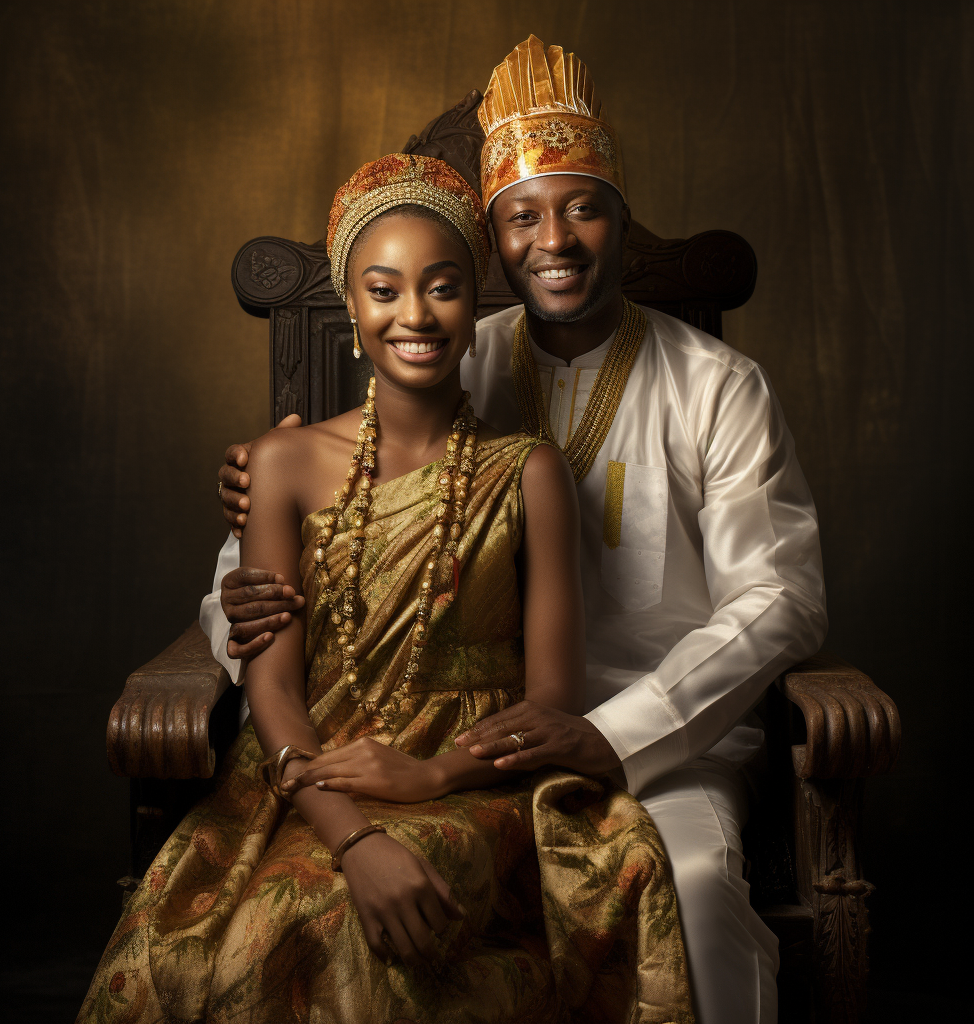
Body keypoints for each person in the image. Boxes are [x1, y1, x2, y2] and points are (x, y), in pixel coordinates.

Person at [206, 37, 827, 1024]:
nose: (556, 241)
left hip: (657, 738)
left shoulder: (715, 385)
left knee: (695, 895)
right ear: (492, 237)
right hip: (448, 734)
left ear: (618, 217)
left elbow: (781, 597)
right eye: (523, 217)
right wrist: (228, 600)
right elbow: (309, 530)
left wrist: (607, 732)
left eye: (582, 207)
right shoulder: (448, 349)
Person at [79, 153, 693, 1023]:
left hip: (477, 777)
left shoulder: (530, 472)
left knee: (394, 921)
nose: (415, 314)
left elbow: (554, 695)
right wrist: (355, 834)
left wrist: (433, 775)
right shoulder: (283, 463)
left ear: (477, 305)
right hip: (311, 771)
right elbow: (276, 687)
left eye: (442, 287)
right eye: (384, 289)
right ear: (353, 309)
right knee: (287, 918)